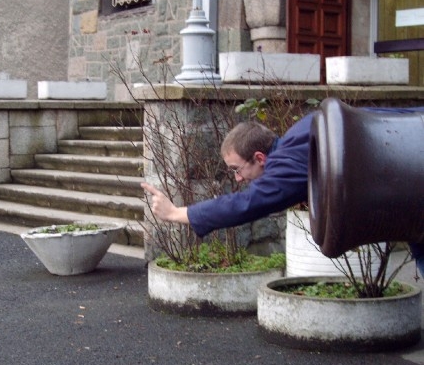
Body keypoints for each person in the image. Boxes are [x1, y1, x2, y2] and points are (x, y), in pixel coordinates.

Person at [141, 111, 424, 276]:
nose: (238, 179)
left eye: (237, 169)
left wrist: (178, 213)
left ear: (260, 158)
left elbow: (247, 203)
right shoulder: (304, 130)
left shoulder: (287, 164)